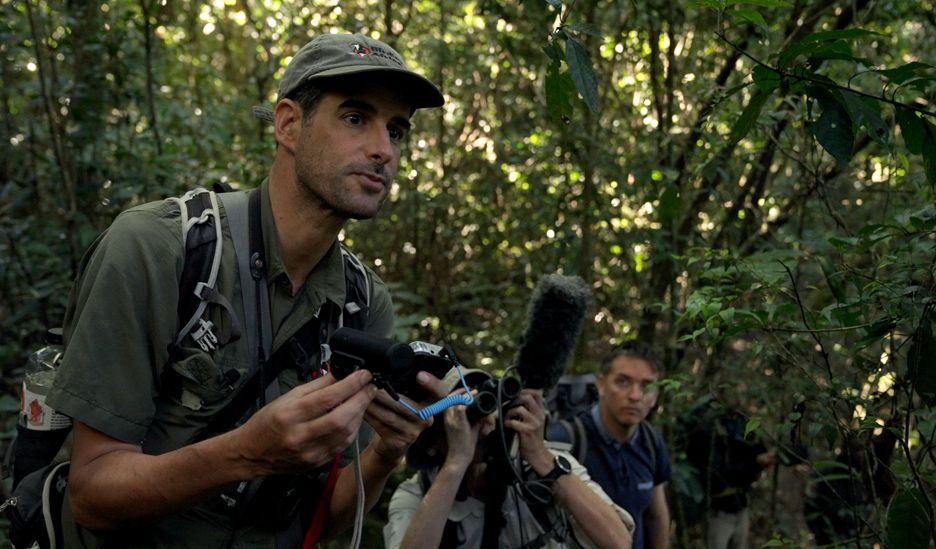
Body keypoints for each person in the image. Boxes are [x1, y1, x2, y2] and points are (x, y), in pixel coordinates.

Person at [46, 32, 445, 547]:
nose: (382, 150)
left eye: (396, 130)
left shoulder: (361, 303)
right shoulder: (159, 250)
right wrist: (247, 452)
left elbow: (326, 520)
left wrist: (387, 450)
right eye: (355, 118)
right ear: (288, 125)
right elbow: (92, 495)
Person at [384, 369, 635, 549]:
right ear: (431, 442)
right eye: (457, 419)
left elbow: (619, 542)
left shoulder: (545, 463)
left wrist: (540, 456)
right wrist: (456, 463)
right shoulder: (417, 494)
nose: (479, 426)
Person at [549, 340, 674, 549]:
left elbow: (656, 516)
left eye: (647, 386)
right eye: (623, 382)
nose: (635, 396)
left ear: (655, 396)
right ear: (601, 384)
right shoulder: (567, 439)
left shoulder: (651, 442)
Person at [685, 400, 777, 549]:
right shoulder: (708, 434)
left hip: (741, 507)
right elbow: (720, 476)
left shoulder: (742, 426)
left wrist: (760, 461)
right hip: (718, 511)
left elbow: (751, 452)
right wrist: (756, 463)